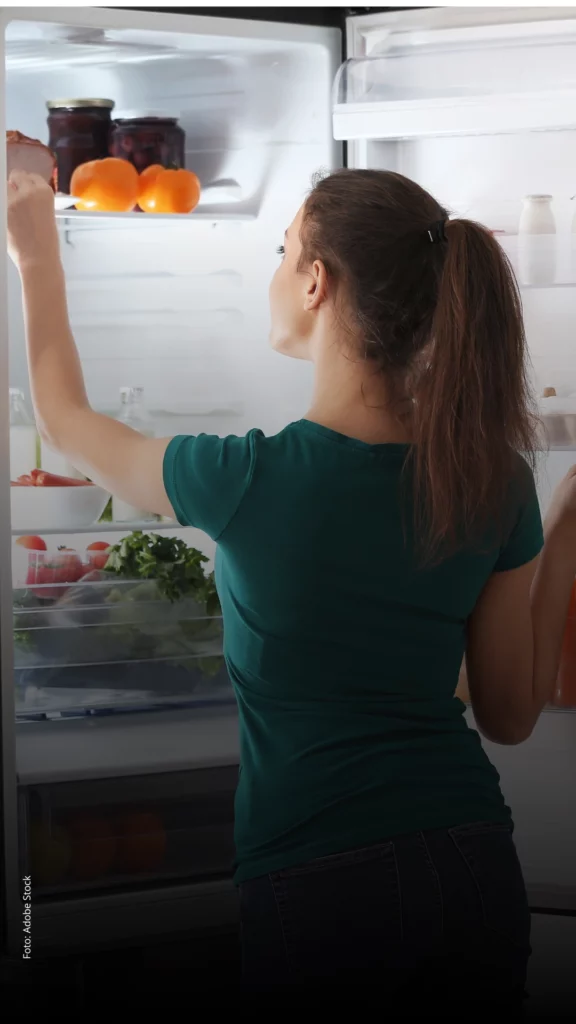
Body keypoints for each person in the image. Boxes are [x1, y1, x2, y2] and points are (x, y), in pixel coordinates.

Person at [6, 168, 576, 1009]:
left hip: (320, 880)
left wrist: (34, 249)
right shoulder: (491, 478)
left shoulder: (245, 476)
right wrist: (564, 525)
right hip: (471, 858)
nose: (275, 271)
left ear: (316, 282)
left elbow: (62, 419)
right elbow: (509, 714)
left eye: (283, 252)